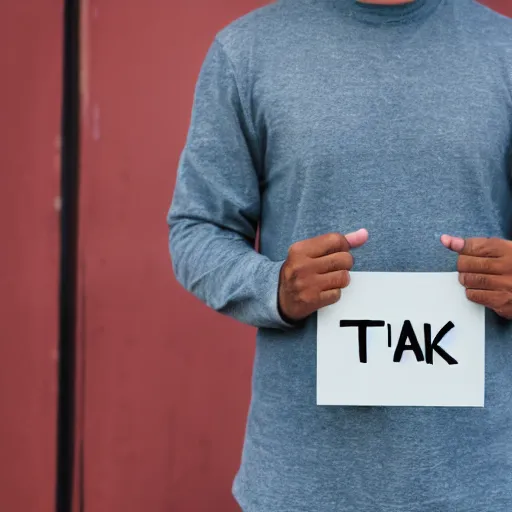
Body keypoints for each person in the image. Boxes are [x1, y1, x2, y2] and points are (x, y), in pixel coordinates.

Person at [167, 0, 512, 510]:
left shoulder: (502, 49)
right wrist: (275, 288)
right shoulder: (248, 52)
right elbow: (197, 227)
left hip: (481, 483)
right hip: (302, 483)